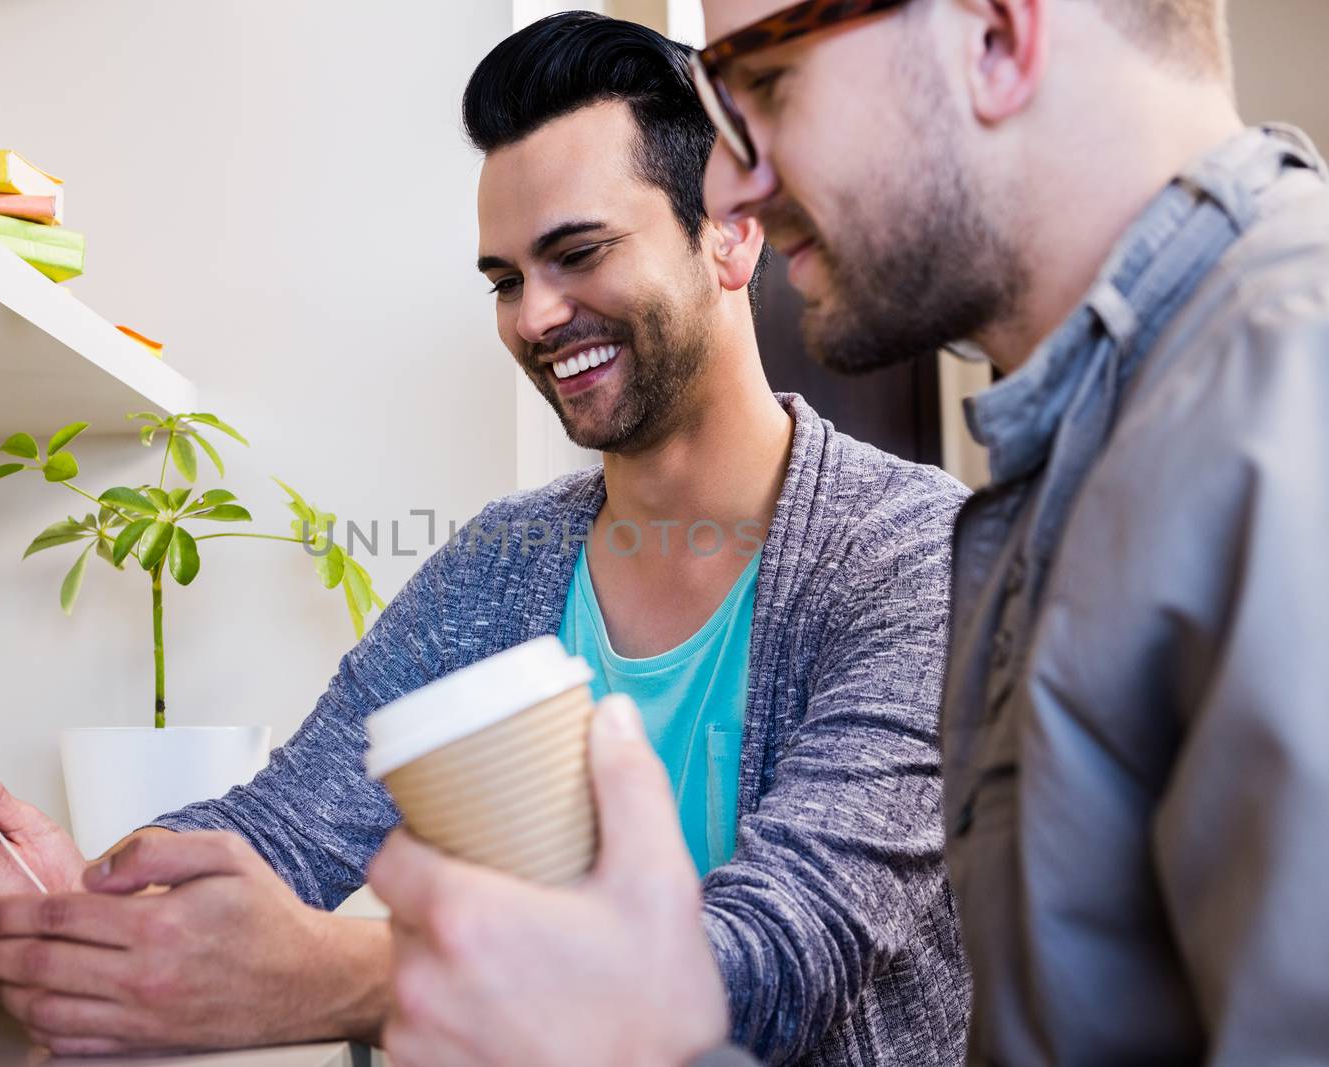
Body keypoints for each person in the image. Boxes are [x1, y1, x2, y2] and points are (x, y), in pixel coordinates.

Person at [0, 12, 975, 1063]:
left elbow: (772, 964)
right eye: (505, 278)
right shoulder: (497, 565)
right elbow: (291, 822)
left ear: (730, 232)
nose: (532, 316)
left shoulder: (914, 553)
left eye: (577, 253)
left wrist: (347, 975)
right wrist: (95, 900)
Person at [373, 0, 1329, 1064]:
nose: (733, 185)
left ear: (994, 37)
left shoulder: (1289, 393)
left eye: (769, 84)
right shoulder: (1106, 446)